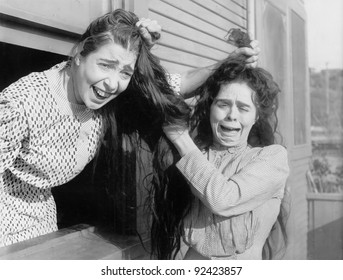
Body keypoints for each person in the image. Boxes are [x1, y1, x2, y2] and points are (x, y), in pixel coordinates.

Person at [0, 9, 259, 247]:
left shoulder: (105, 96)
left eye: (125, 72)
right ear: (79, 54)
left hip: (43, 224)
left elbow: (179, 86)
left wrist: (229, 61)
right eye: (105, 65)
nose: (113, 83)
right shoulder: (21, 104)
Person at [154, 55, 290, 260]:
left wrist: (181, 139)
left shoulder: (273, 158)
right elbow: (155, 92)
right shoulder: (197, 155)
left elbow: (224, 199)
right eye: (223, 104)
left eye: (243, 108)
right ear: (210, 109)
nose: (232, 115)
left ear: (257, 116)